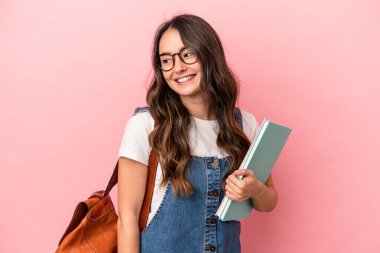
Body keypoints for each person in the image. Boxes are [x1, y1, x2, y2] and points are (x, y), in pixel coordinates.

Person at [117, 14, 278, 253]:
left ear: (209, 54)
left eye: (187, 55)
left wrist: (255, 189)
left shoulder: (244, 124)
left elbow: (269, 202)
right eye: (167, 60)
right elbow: (127, 218)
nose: (178, 68)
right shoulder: (146, 124)